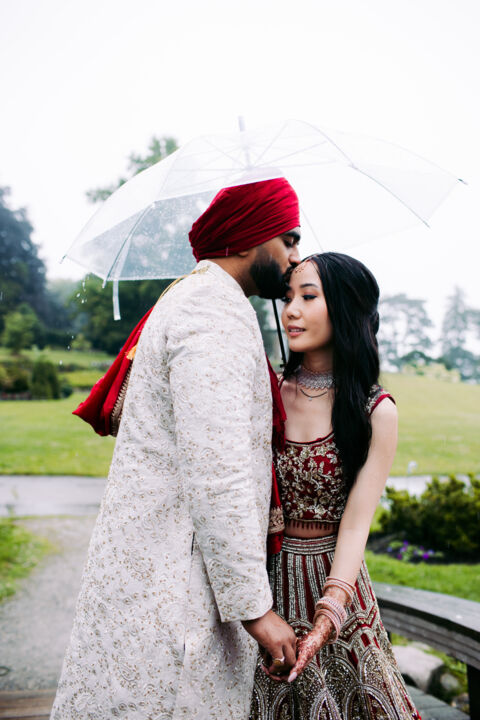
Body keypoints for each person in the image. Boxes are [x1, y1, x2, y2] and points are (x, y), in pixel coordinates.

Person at [50, 178, 302, 720]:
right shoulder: (212, 312)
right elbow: (218, 472)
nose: (295, 258)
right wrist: (255, 610)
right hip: (175, 585)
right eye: (288, 240)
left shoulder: (198, 298)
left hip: (158, 571)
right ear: (247, 238)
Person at [250, 253, 420, 720]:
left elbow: (356, 523)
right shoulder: (265, 392)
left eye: (308, 297)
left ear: (345, 306)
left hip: (338, 585)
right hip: (265, 586)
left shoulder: (375, 411)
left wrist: (330, 613)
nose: (291, 311)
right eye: (288, 298)